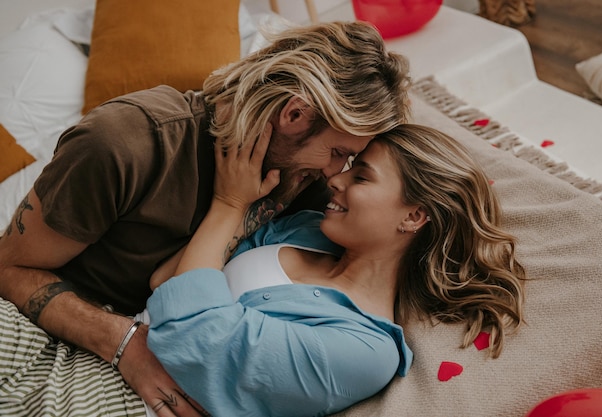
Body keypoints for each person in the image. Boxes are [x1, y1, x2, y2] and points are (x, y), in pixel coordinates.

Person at [0, 21, 411, 415]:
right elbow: (9, 267)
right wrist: (122, 342)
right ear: (294, 115)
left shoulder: (307, 183)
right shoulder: (126, 143)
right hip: (47, 328)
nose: (336, 175)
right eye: (339, 153)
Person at [0, 123, 525, 417]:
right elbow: (166, 282)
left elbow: (193, 334)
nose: (335, 182)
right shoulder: (303, 230)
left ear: (414, 215)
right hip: (101, 347)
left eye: (360, 175)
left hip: (132, 404)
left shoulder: (364, 350)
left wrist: (230, 204)